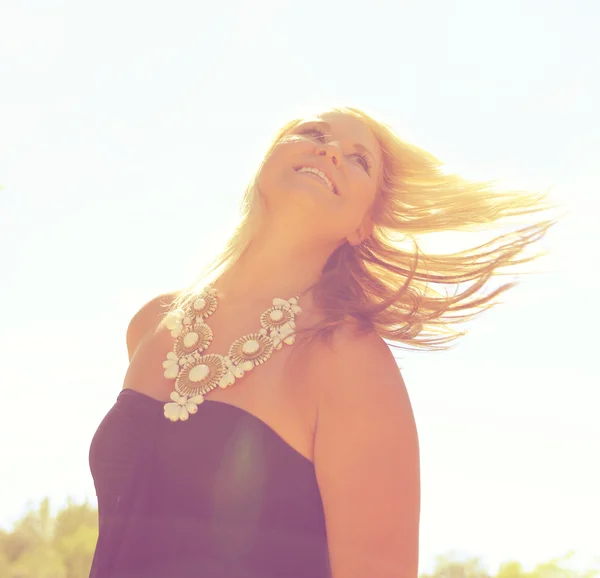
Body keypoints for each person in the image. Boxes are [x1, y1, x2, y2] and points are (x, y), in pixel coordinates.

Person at [88, 106, 557, 578]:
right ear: (267, 160)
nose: (329, 150)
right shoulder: (153, 323)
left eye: (359, 160)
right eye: (313, 133)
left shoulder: (349, 360)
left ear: (361, 227)